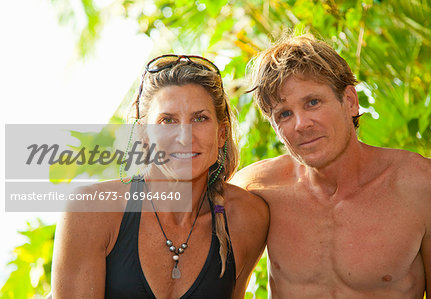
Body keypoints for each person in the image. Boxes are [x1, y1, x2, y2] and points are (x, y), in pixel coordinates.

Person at [231, 34, 431, 298]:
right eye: (284, 114)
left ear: (350, 101)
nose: (301, 124)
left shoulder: (425, 186)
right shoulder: (256, 189)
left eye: (313, 102)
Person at [51, 55, 269, 298]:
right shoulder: (92, 211)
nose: (185, 137)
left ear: (221, 134)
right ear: (144, 135)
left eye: (200, 118)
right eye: (167, 120)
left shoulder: (247, 220)